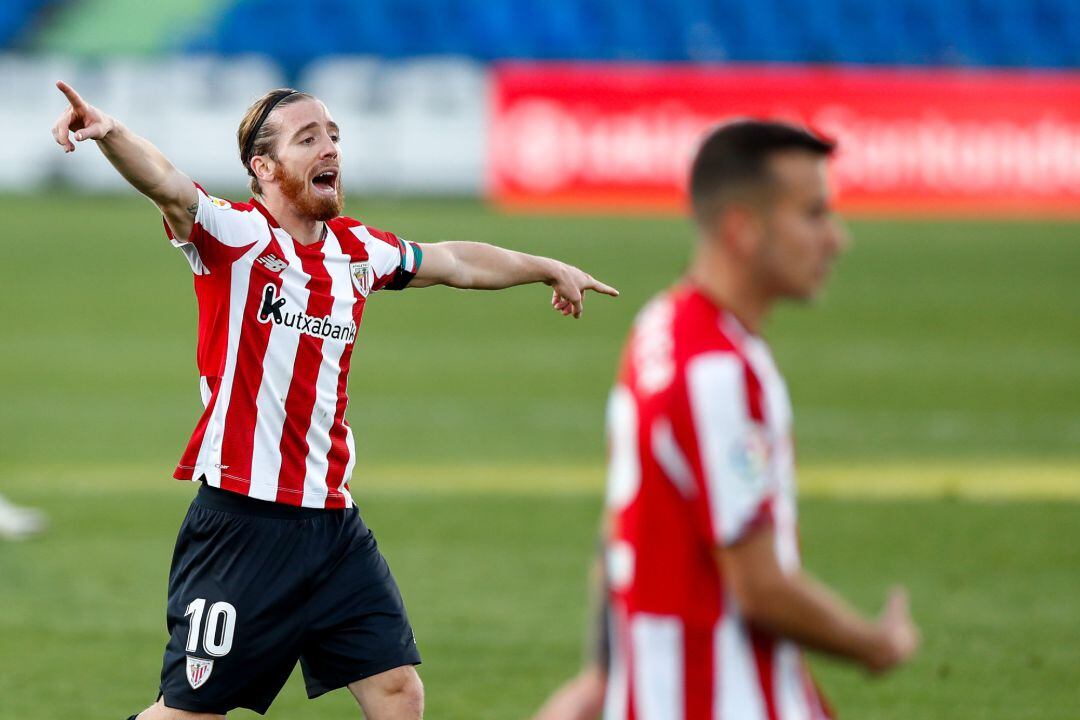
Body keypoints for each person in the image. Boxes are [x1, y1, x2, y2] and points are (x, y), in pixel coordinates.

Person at [50, 81, 618, 720]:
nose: (330, 149)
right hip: (243, 525)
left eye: (333, 136)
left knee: (398, 690)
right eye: (308, 138)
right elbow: (167, 184)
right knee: (189, 715)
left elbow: (455, 260)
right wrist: (109, 131)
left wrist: (544, 265)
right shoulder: (235, 237)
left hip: (333, 527)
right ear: (263, 169)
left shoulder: (358, 250)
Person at [534, 120, 919, 720]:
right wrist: (875, 645)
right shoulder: (722, 372)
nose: (837, 239)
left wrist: (602, 676)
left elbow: (625, 532)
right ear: (743, 229)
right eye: (814, 215)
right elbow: (760, 587)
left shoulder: (660, 326)